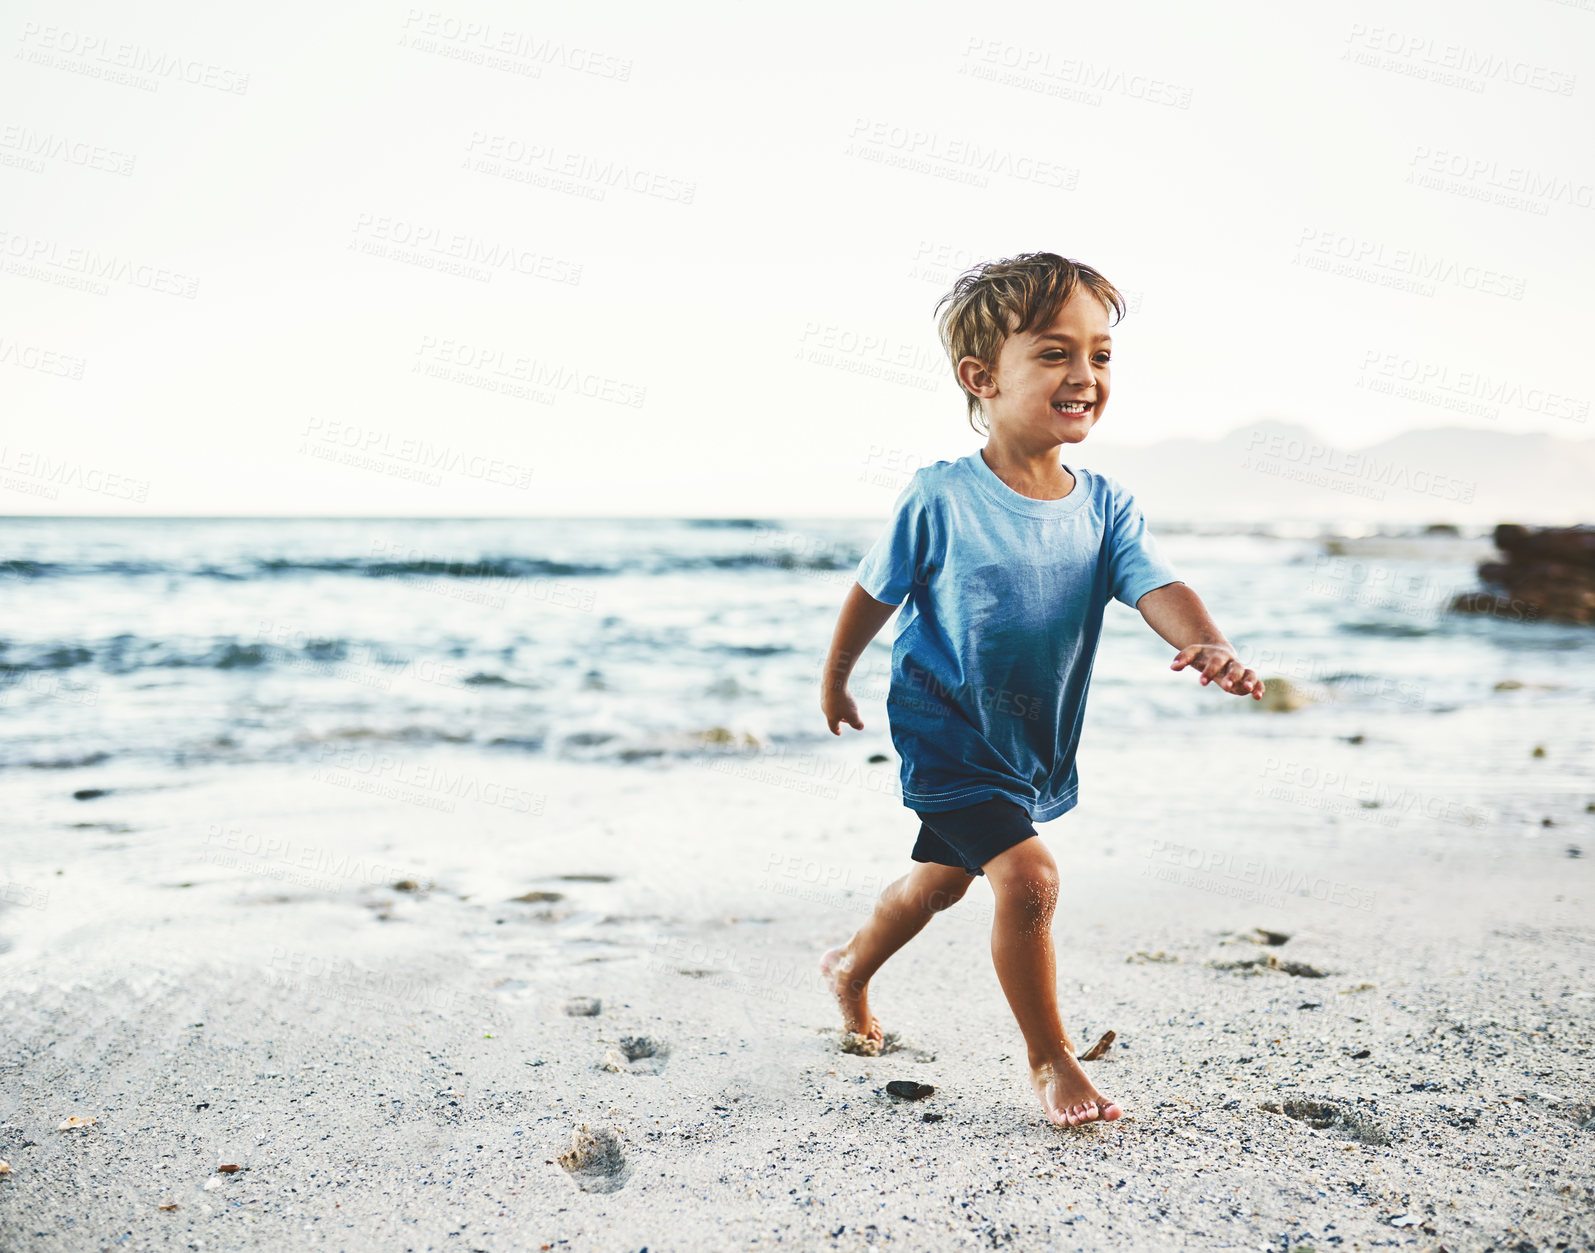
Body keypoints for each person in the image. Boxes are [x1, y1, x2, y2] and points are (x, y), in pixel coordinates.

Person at [818, 252, 1264, 1129]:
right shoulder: (940, 494)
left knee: (937, 885)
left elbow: (1155, 588)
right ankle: (1049, 1059)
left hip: (1028, 742)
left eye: (1100, 355)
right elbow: (874, 591)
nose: (1085, 375)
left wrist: (1207, 641)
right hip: (942, 725)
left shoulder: (1105, 505)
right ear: (980, 378)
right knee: (1027, 879)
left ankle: (848, 968)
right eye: (1055, 353)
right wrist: (835, 679)